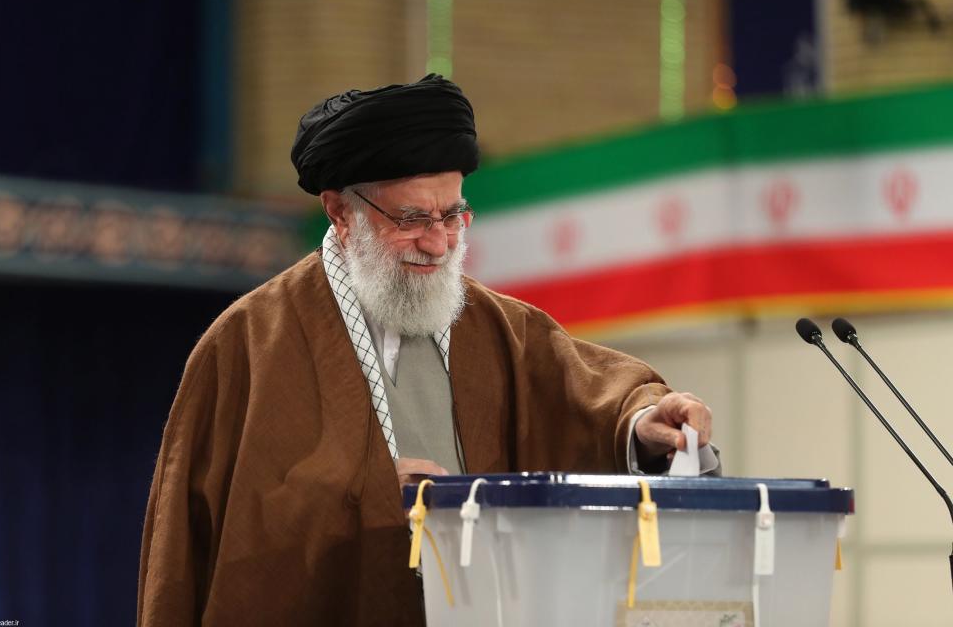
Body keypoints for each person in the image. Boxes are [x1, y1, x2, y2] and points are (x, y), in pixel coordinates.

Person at [136, 74, 718, 627]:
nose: (438, 243)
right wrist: (363, 492)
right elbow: (215, 541)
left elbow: (586, 396)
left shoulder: (498, 328)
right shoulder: (247, 345)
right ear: (341, 212)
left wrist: (643, 424)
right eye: (412, 219)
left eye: (453, 216)